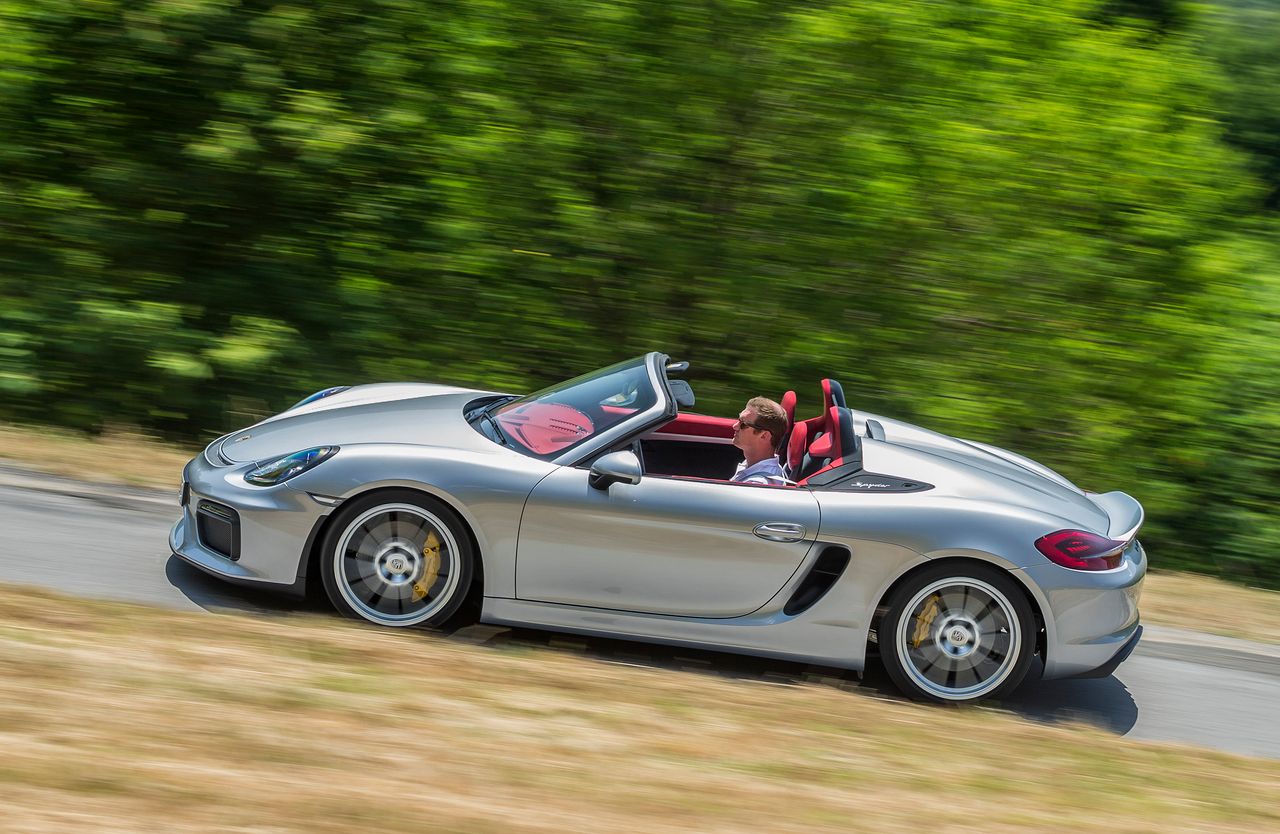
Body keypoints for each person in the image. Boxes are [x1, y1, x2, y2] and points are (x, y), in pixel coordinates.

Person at [730, 396, 789, 485]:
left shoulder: (757, 484)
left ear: (764, 435)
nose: (735, 426)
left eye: (743, 424)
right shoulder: (753, 463)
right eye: (738, 420)